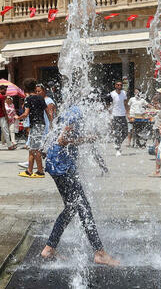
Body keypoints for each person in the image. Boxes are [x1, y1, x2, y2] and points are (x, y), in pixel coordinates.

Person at [41, 103, 120, 266]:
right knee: (83, 207)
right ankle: (99, 253)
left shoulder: (73, 112)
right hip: (62, 166)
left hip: (57, 164)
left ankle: (49, 248)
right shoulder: (77, 113)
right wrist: (86, 139)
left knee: (71, 208)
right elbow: (62, 140)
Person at [19, 79, 47, 178]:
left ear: (25, 88)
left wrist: (18, 117)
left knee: (36, 149)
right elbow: (47, 111)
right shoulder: (40, 98)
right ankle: (29, 171)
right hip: (40, 124)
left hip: (35, 125)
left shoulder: (28, 99)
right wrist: (51, 123)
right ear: (35, 87)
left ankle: (40, 171)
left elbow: (26, 113)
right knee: (32, 149)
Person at [0, 84, 14, 150]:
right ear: (0, 90)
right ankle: (9, 146)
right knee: (5, 131)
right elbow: (3, 108)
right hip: (1, 116)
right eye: (4, 90)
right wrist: (6, 116)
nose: (5, 91)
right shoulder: (1, 97)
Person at [108, 80, 128, 155]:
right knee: (117, 131)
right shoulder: (112, 94)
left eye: (121, 85)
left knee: (125, 132)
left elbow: (125, 103)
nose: (119, 86)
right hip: (115, 115)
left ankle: (118, 143)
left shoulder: (124, 93)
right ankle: (117, 147)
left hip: (123, 114)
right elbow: (109, 105)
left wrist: (128, 112)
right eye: (118, 85)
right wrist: (109, 115)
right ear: (115, 86)